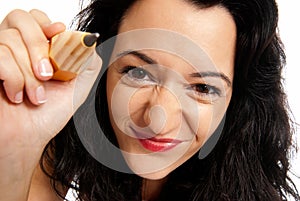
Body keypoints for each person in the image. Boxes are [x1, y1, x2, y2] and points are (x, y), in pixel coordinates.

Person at [0, 0, 299, 200]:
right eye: (138, 72)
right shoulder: (58, 139)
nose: (159, 117)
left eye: (203, 88)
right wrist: (15, 143)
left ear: (237, 101)